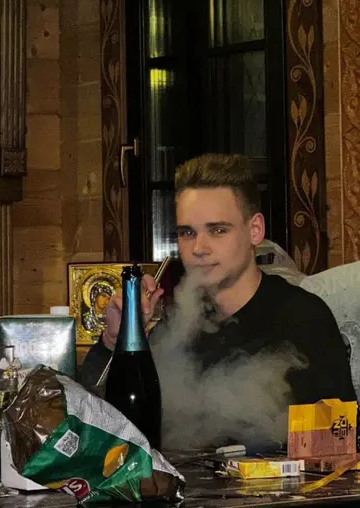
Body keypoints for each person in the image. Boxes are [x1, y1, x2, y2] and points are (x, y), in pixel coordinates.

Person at [81, 153, 356, 445]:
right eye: (187, 233)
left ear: (255, 231)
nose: (199, 248)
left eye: (218, 230)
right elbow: (95, 425)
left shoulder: (304, 320)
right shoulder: (177, 324)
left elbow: (336, 445)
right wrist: (114, 341)